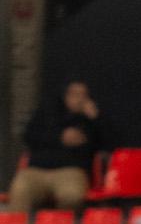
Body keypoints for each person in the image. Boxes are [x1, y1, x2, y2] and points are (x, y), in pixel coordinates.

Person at [6, 79, 105, 214]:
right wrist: (59, 137)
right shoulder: (46, 113)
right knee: (19, 190)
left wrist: (96, 119)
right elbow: (29, 136)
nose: (79, 99)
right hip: (37, 170)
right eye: (74, 94)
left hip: (71, 171)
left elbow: (107, 145)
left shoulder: (90, 120)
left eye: (83, 95)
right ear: (65, 96)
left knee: (72, 196)